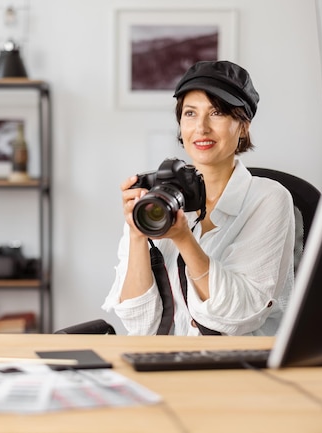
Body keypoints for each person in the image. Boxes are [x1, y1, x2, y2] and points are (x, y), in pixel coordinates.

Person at [102, 60, 295, 336]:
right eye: (190, 113)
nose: (201, 128)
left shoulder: (268, 199)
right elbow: (139, 325)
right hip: (166, 362)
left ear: (243, 127)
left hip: (242, 365)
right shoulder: (155, 200)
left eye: (216, 113)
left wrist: (183, 239)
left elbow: (240, 315)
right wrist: (136, 234)